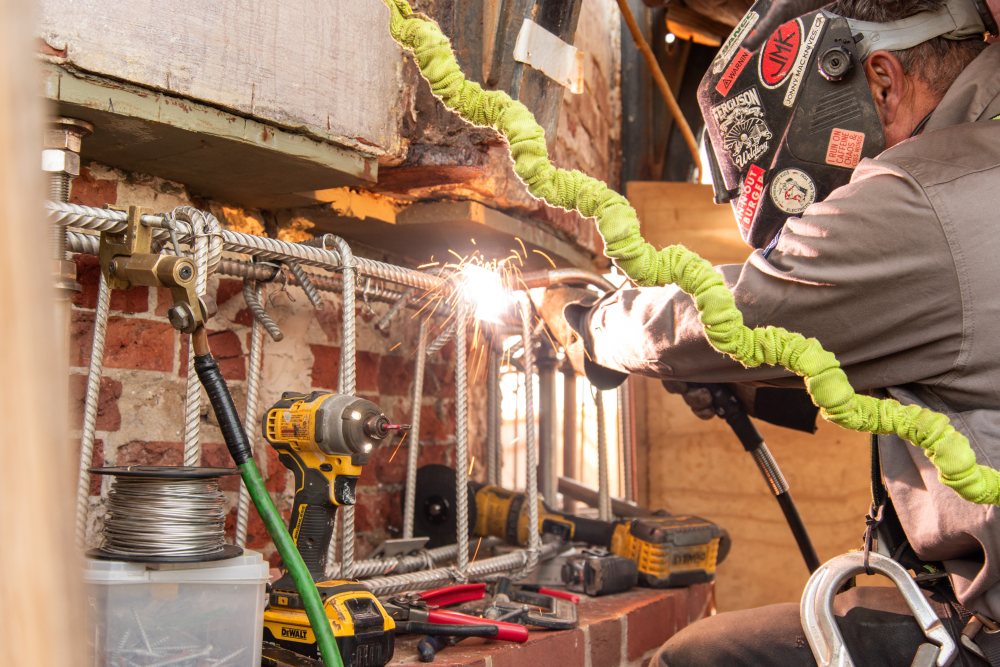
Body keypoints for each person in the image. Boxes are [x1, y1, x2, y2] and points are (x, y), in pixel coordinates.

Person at [544, 0, 1000, 664]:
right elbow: (948, 367)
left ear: (881, 81)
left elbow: (737, 314)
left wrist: (589, 323)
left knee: (694, 659)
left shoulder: (927, 193)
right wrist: (765, 390)